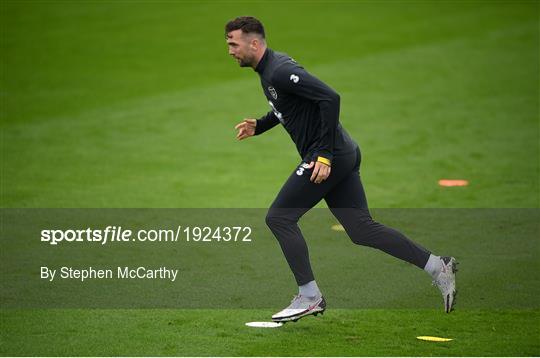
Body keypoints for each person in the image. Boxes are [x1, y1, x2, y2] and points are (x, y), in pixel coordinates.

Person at [225, 16, 457, 323]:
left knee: (279, 217)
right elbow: (289, 105)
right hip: (343, 153)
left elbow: (329, 97)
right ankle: (438, 266)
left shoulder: (279, 70)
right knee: (361, 229)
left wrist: (323, 155)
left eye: (233, 43)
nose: (230, 50)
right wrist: (261, 124)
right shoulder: (267, 70)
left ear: (254, 43)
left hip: (330, 157)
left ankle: (309, 296)